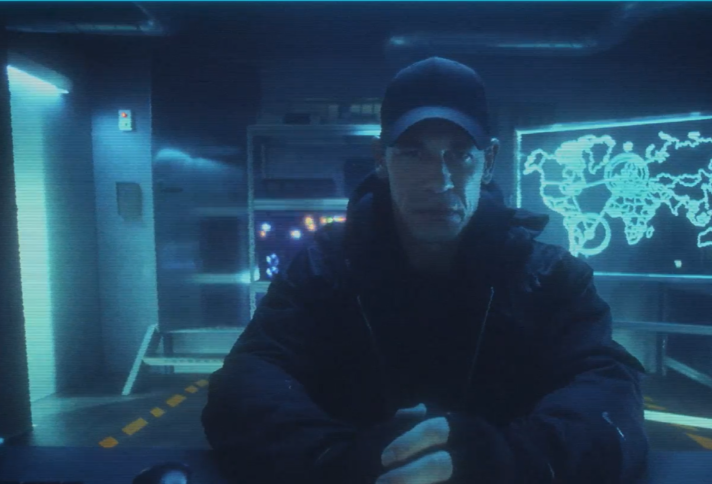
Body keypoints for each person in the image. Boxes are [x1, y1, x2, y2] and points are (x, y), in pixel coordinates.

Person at [202, 57, 649, 484]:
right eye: (413, 153)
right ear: (381, 159)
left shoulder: (551, 279)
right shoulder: (325, 268)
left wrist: (504, 461)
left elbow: (610, 395)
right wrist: (337, 461)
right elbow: (247, 382)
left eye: (460, 154)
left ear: (489, 161)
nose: (439, 180)